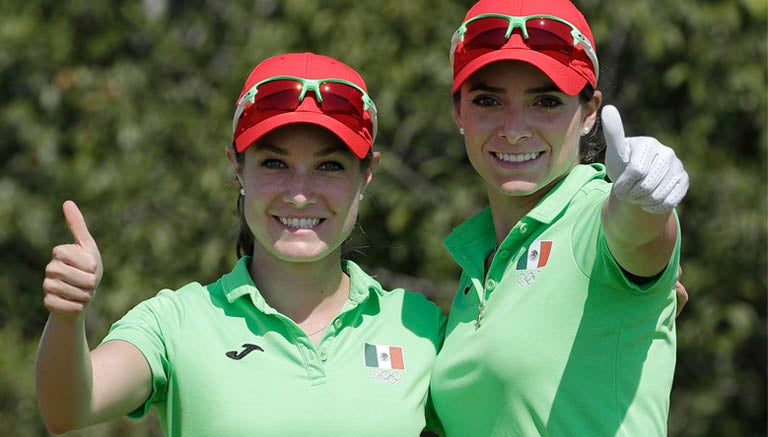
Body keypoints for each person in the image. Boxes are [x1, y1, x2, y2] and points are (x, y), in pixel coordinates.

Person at [36, 52, 445, 436]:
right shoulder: (176, 322)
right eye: (274, 163)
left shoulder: (421, 327)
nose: (299, 193)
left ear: (366, 175)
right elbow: (69, 408)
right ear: (237, 168)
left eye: (329, 166)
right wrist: (67, 316)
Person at [429, 0, 690, 435]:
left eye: (546, 102)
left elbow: (636, 235)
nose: (513, 129)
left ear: (589, 112)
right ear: (459, 112)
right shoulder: (475, 270)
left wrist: (646, 201)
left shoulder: (593, 218)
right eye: (488, 100)